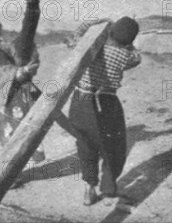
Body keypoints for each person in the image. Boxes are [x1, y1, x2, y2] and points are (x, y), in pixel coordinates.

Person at [68, 17, 142, 206]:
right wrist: (130, 44)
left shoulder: (90, 49)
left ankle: (89, 189)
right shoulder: (125, 55)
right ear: (128, 40)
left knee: (85, 144)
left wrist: (97, 22)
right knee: (113, 146)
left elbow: (75, 36)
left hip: (81, 102)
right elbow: (137, 57)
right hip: (107, 102)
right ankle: (108, 188)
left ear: (110, 32)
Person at [0, 17, 45, 173]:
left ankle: (8, 172)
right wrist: (18, 73)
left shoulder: (1, 50)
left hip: (6, 99)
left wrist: (28, 61)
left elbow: (17, 59)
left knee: (8, 134)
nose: (2, 38)